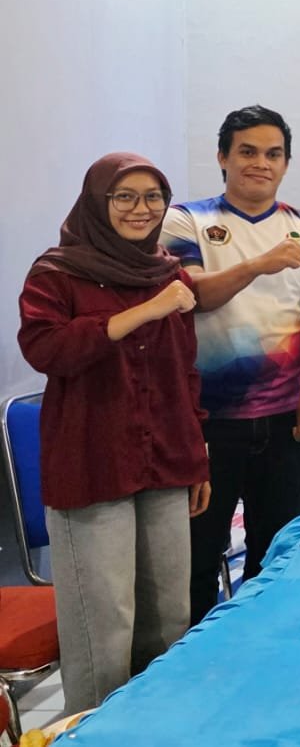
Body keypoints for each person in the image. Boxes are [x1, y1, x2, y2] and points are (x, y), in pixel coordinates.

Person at [17, 154, 210, 712]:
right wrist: (144, 312)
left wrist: (197, 456)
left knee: (168, 618)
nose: (140, 209)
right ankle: (93, 730)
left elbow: (184, 373)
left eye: (153, 197)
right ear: (96, 202)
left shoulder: (168, 273)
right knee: (104, 628)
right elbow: (47, 349)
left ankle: (157, 727)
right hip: (92, 464)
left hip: (165, 460)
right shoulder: (57, 273)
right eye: (124, 196)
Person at [162, 105, 300, 623]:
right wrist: (259, 264)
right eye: (248, 152)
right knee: (198, 554)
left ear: (285, 163)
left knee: (277, 552)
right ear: (223, 157)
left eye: (273, 154)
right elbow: (193, 297)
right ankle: (194, 656)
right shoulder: (186, 219)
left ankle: (261, 648)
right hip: (206, 420)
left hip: (285, 418)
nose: (261, 163)